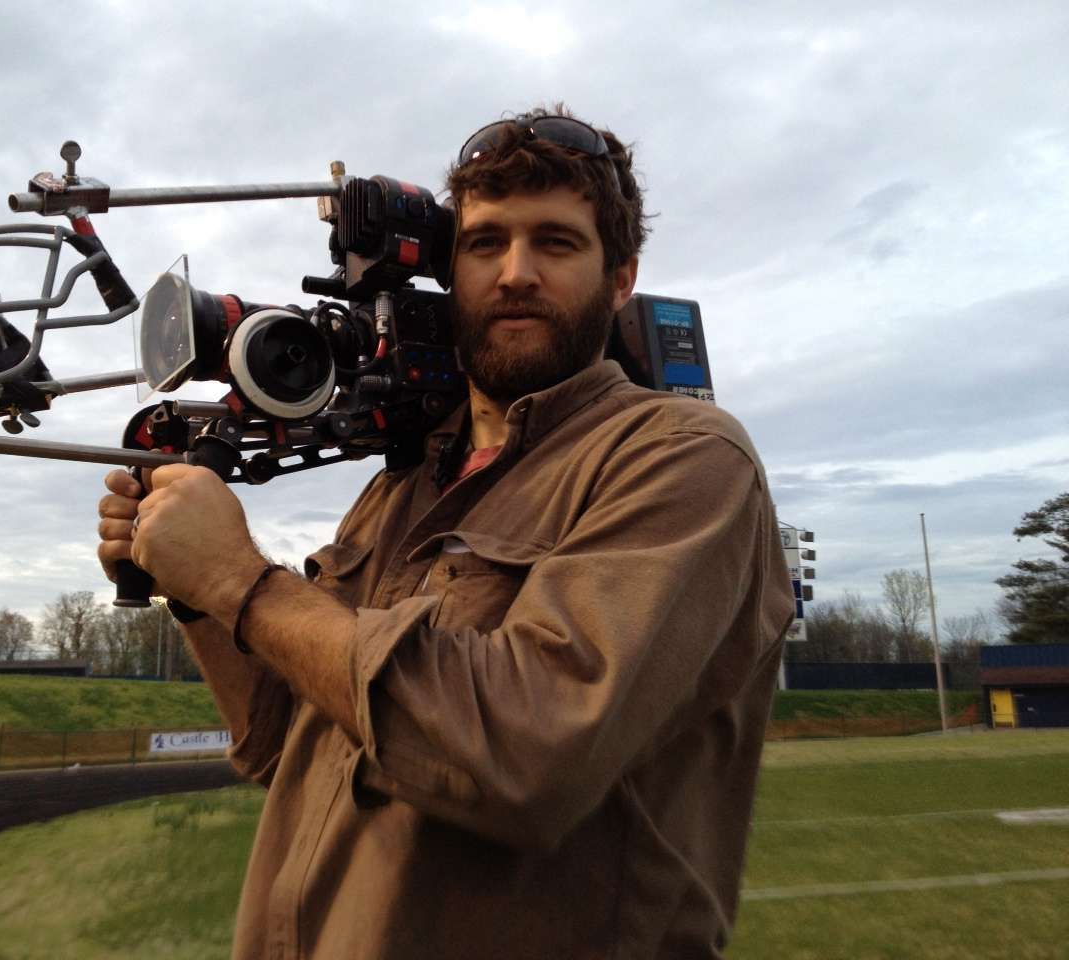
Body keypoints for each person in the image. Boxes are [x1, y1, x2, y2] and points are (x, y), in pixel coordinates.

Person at [98, 107, 794, 960]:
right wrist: (195, 589)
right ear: (448, 268)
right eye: (485, 242)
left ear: (620, 279)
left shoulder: (682, 458)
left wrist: (244, 583)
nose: (515, 273)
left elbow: (527, 753)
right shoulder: (404, 481)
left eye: (557, 243)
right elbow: (284, 741)